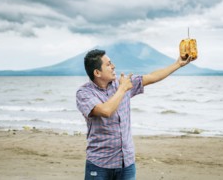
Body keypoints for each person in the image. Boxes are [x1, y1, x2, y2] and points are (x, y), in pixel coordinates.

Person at [76, 48, 194, 180]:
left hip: (126, 163)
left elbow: (152, 77)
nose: (113, 66)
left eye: (112, 62)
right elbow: (106, 111)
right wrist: (122, 89)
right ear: (97, 72)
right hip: (99, 164)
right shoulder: (85, 93)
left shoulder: (122, 84)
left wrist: (177, 64)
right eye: (108, 64)